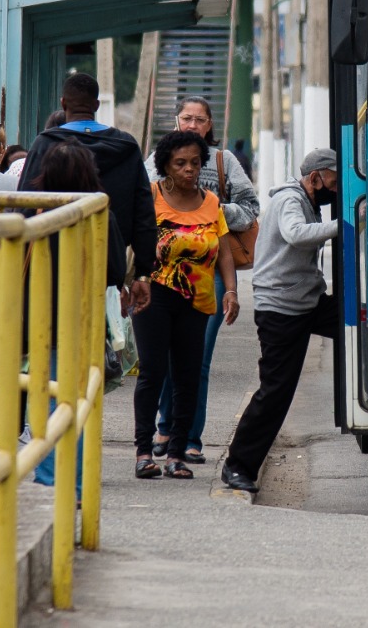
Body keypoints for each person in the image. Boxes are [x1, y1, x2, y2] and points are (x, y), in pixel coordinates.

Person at [144, 96, 260, 464]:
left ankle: (190, 436)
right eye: (186, 118)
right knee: (160, 358)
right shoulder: (156, 162)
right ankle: (164, 428)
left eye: (200, 119)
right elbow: (145, 206)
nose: (193, 125)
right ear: (177, 122)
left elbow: (252, 209)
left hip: (209, 275)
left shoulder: (226, 162)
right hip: (163, 276)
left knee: (197, 361)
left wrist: (208, 209)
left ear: (210, 125)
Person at [221, 148, 339, 493]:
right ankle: (237, 466)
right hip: (282, 310)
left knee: (362, 325)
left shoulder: (309, 198)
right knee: (276, 391)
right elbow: (295, 233)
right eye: (333, 180)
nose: (336, 188)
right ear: (315, 178)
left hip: (308, 301)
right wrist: (346, 224)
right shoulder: (291, 200)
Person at [133, 131, 240, 479]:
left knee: (188, 376)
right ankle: (144, 451)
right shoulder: (150, 196)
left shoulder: (211, 203)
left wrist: (231, 292)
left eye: (195, 162)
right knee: (152, 371)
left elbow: (224, 250)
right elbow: (135, 241)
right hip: (155, 293)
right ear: (165, 165)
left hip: (198, 298)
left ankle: (177, 453)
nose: (189, 170)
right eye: (181, 163)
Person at [27, 139, 129, 498]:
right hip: (84, 319)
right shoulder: (100, 212)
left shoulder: (35, 214)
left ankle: (48, 479)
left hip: (42, 319)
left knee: (48, 395)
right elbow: (116, 271)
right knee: (82, 400)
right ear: (90, 173)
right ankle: (80, 482)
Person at [19, 73, 154, 316]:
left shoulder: (45, 144)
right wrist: (143, 273)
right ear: (96, 105)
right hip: (106, 266)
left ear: (63, 104)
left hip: (50, 263)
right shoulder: (127, 146)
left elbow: (26, 205)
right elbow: (144, 214)